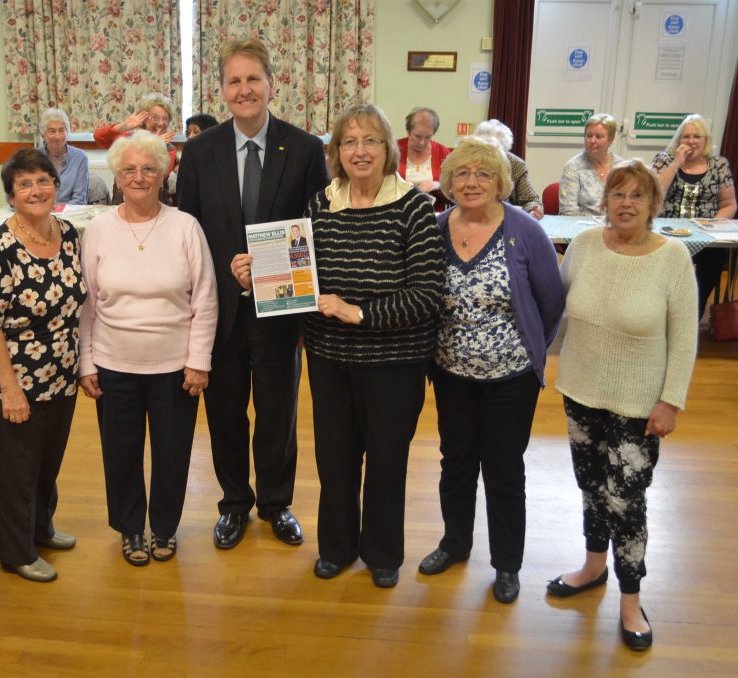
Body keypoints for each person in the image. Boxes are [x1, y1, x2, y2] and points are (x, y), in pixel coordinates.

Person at [234, 103, 444, 587]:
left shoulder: (413, 206)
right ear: (336, 152)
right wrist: (256, 280)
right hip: (330, 360)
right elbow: (298, 282)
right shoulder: (321, 204)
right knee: (335, 459)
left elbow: (427, 295)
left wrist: (360, 311)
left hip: (394, 363)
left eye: (370, 140)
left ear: (388, 149)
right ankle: (337, 548)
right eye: (349, 142)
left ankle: (383, 554)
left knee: (388, 461)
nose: (359, 151)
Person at [177, 38, 329, 550]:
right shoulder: (199, 152)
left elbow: (316, 229)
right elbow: (191, 232)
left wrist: (261, 269)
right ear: (222, 90)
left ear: (271, 84)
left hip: (281, 309)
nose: (244, 90)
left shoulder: (305, 149)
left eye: (253, 79)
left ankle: (276, 503)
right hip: (219, 308)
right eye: (234, 81)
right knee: (223, 412)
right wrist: (230, 271)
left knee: (277, 411)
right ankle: (234, 504)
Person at [549, 159, 697, 651]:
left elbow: (684, 340)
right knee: (590, 487)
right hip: (581, 389)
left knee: (625, 500)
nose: (626, 203)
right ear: (605, 201)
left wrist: (671, 401)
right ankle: (593, 566)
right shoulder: (585, 246)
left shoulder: (673, 257)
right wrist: (536, 363)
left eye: (637, 195)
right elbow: (560, 311)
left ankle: (631, 597)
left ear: (654, 204)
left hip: (639, 403)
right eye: (618, 194)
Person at [418, 137, 564, 603]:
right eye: (462, 173)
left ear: (500, 181)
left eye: (483, 174)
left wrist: (524, 349)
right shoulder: (436, 228)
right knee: (455, 463)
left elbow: (551, 301)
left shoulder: (525, 230)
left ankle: (506, 564)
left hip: (511, 379)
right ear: (448, 181)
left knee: (503, 469)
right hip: (451, 373)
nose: (472, 182)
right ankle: (454, 544)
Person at [78, 131, 217, 565]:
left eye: (149, 169)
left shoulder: (185, 227)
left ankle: (164, 527)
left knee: (172, 452)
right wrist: (86, 362)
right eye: (129, 169)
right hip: (113, 362)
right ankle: (130, 528)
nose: (139, 177)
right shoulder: (98, 229)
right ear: (117, 177)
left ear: (164, 174)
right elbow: (85, 301)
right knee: (120, 453)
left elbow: (206, 298)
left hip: (175, 365)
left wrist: (198, 362)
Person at [0, 149, 85, 582]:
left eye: (42, 180)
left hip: (61, 375)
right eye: (24, 184)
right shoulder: (0, 247)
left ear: (56, 186)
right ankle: (16, 552)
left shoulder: (69, 232)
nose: (36, 190)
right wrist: (10, 389)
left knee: (46, 464)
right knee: (16, 470)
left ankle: (42, 529)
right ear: (11, 195)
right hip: (14, 379)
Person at [650, 114, 736, 320]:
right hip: (666, 234)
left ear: (705, 141)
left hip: (706, 235)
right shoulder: (663, 160)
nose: (691, 141)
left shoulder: (718, 165)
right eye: (685, 136)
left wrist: (711, 226)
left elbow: (729, 204)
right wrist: (676, 163)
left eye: (697, 136)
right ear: (678, 140)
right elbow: (654, 194)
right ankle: (661, 315)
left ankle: (692, 315)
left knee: (714, 260)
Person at [474, 119, 544, 219]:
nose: (492, 155)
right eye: (486, 149)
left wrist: (533, 210)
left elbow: (529, 199)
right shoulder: (469, 163)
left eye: (499, 150)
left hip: (507, 221)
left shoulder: (516, 164)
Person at [94, 92, 178, 172]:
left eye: (165, 119)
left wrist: (157, 145)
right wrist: (123, 126)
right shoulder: (127, 139)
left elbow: (159, 175)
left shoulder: (169, 149)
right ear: (144, 119)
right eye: (155, 118)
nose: (160, 123)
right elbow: (98, 137)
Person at [558, 113, 623, 216]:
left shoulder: (622, 167)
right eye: (588, 136)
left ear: (610, 139)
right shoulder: (573, 167)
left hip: (617, 228)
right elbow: (568, 211)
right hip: (582, 228)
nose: (592, 141)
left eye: (599, 137)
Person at [397, 107, 451, 211]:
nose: (422, 142)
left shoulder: (442, 152)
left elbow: (453, 187)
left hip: (433, 212)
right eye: (417, 136)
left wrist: (439, 185)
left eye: (428, 137)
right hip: (400, 211)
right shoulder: (395, 149)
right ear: (408, 131)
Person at [37, 108, 89, 205]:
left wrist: (59, 213)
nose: (57, 136)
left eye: (61, 130)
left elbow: (79, 200)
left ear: (67, 132)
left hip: (69, 214)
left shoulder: (80, 158)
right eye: (52, 131)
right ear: (43, 135)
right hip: (40, 212)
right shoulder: (33, 158)